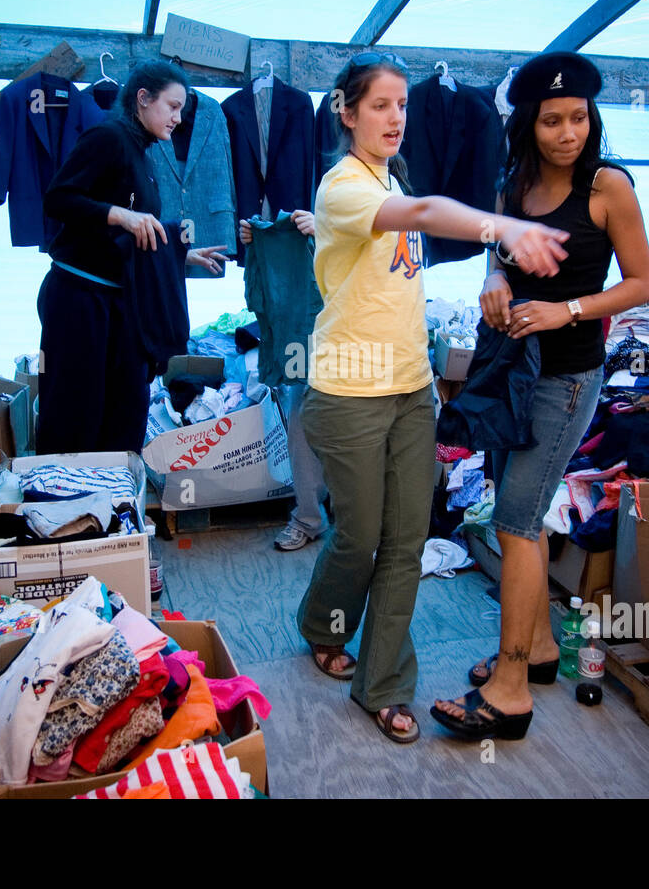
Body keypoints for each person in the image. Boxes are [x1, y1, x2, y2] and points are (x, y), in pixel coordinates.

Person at [298, 52, 570, 744]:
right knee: (358, 538)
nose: (395, 118)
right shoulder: (344, 188)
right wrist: (502, 227)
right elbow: (421, 211)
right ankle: (322, 624)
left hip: (412, 389)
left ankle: (384, 684)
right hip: (348, 393)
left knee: (407, 540)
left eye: (401, 105)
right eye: (380, 105)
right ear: (346, 111)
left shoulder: (393, 175)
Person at [430, 51, 649, 741]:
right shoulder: (512, 184)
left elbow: (643, 284)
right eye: (552, 120)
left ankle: (510, 689)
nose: (568, 133)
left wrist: (570, 309)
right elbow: (499, 256)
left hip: (567, 380)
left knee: (516, 523)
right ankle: (546, 653)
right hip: (510, 376)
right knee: (513, 511)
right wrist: (492, 283)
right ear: (528, 125)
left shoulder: (608, 186)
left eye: (579, 118)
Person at [38, 60, 227, 453]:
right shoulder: (107, 137)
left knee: (127, 405)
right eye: (173, 106)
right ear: (142, 99)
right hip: (79, 299)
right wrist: (118, 213)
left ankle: (113, 504)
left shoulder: (144, 153)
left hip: (118, 303)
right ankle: (62, 504)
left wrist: (183, 254)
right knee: (76, 411)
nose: (178, 118)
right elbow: (58, 198)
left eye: (182, 109)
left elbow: (136, 231)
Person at [237, 210, 332, 552]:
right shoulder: (338, 180)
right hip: (310, 331)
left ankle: (367, 524)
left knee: (361, 433)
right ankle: (309, 516)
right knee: (301, 421)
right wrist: (264, 241)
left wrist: (326, 233)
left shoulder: (395, 207)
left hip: (362, 336)